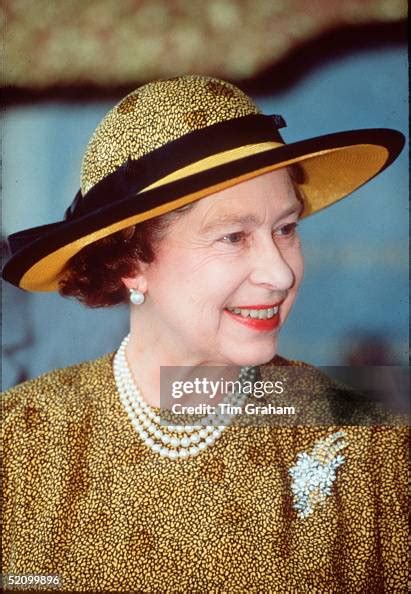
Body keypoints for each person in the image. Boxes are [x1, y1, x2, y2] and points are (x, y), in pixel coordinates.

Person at [1, 75, 407, 592]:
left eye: (286, 229)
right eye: (234, 237)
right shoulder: (19, 442)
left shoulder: (372, 446)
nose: (280, 274)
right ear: (131, 263)